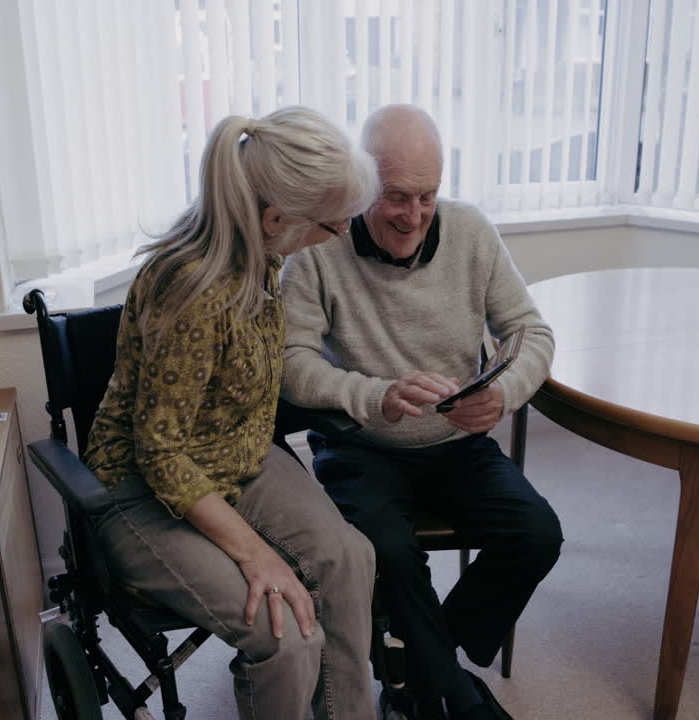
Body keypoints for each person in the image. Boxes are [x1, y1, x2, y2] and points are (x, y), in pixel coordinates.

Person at [83, 106, 379, 720]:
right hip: (144, 487)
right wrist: (254, 552)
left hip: (236, 457)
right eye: (333, 224)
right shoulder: (193, 291)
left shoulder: (262, 252)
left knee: (351, 559)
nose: (342, 234)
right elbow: (160, 453)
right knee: (285, 635)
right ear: (275, 218)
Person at [280, 104, 562, 720]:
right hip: (360, 445)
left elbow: (530, 332)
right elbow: (290, 364)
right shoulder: (320, 245)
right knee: (388, 550)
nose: (414, 215)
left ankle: (414, 668)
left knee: (538, 534)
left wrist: (504, 394)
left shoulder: (471, 231)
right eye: (397, 197)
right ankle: (455, 694)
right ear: (364, 184)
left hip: (456, 443)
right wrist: (374, 395)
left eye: (428, 196)